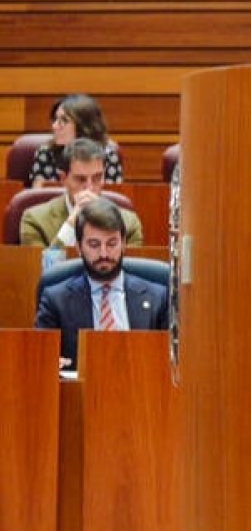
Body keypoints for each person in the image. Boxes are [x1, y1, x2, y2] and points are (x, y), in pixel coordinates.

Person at [34, 197, 167, 368]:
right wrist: (50, 363)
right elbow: (40, 359)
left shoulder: (158, 297)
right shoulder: (55, 300)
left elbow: (170, 361)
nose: (104, 254)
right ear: (79, 247)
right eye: (94, 244)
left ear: (124, 244)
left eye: (112, 244)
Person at [19, 137, 144, 248]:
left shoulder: (129, 223)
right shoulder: (35, 220)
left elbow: (127, 272)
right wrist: (72, 222)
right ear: (63, 178)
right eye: (80, 179)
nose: (89, 188)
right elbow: (44, 269)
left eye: (97, 178)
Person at [27, 93, 123, 187]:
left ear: (84, 126)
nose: (54, 126)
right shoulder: (46, 152)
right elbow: (37, 197)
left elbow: (113, 198)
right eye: (55, 120)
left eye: (63, 121)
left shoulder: (107, 155)